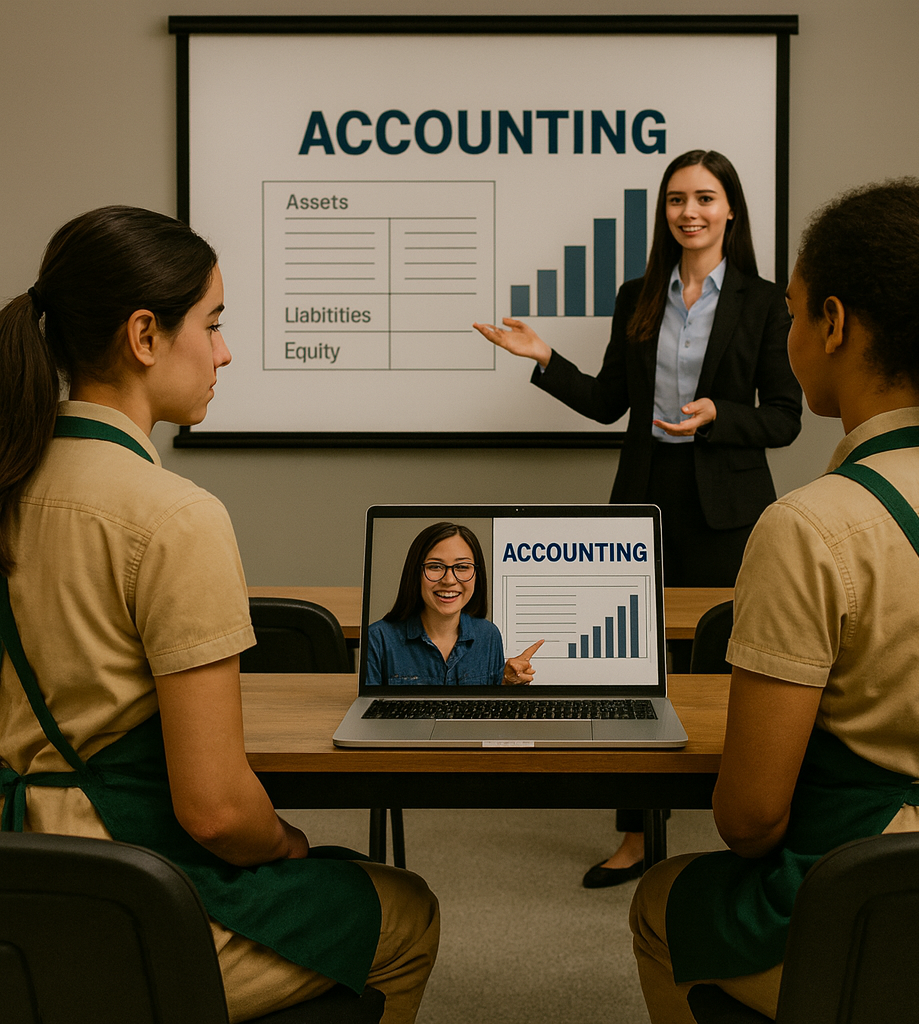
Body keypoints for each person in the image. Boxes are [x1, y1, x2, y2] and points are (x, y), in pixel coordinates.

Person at [0, 206, 439, 1023]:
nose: (225, 350)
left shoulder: (10, 482)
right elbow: (217, 812)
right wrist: (291, 847)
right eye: (214, 323)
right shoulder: (173, 516)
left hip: (17, 895)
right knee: (403, 910)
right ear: (143, 336)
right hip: (122, 909)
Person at [629, 178, 919, 1022]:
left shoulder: (808, 525)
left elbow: (748, 821)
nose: (790, 332)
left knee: (662, 903)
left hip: (865, 913)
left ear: (836, 324)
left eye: (797, 313)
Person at [474, 149, 803, 886]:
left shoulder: (762, 300)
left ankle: (738, 829)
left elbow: (785, 418)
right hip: (644, 498)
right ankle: (634, 835)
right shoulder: (638, 295)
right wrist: (543, 356)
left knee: (727, 667)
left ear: (731, 211)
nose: (690, 212)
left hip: (728, 507)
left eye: (705, 199)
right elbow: (606, 403)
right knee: (631, 671)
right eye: (677, 200)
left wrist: (720, 415)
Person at [366, 521, 543, 686]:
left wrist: (505, 684)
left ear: (477, 575)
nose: (449, 580)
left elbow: (488, 710)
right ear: (415, 573)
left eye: (462, 567)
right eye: (435, 567)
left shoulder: (488, 635)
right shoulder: (377, 639)